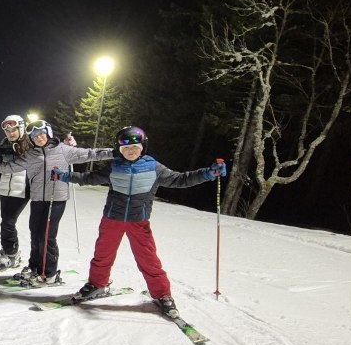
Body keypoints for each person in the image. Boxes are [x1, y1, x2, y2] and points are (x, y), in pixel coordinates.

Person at [55, 126, 227, 318]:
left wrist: (208, 173)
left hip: (139, 221)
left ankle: (162, 294)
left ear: (143, 148)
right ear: (119, 150)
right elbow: (90, 178)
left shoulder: (154, 167)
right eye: (126, 148)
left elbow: (180, 179)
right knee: (102, 255)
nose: (130, 151)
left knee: (148, 259)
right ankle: (97, 284)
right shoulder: (114, 166)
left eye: (135, 147)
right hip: (112, 219)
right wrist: (65, 176)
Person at [0, 119, 114, 286]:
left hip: (56, 199)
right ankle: (34, 267)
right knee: (35, 234)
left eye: (41, 134)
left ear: (48, 133)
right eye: (34, 136)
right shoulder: (30, 154)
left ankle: (49, 273)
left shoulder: (63, 150)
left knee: (47, 236)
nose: (39, 138)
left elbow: (91, 154)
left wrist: (116, 152)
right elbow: (9, 167)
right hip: (37, 199)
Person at [0, 115, 30, 270]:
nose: (11, 133)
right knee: (5, 221)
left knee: (8, 221)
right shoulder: (4, 144)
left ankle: (12, 254)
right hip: (6, 188)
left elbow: (47, 154)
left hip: (22, 189)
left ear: (21, 128)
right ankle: (7, 248)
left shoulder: (30, 144)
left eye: (14, 130)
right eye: (8, 131)